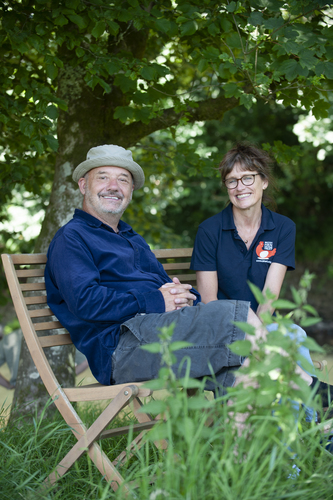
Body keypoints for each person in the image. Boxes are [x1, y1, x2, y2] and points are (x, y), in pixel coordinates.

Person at [45, 144, 315, 399]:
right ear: (83, 185)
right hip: (121, 348)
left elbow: (164, 287)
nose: (114, 186)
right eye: (103, 178)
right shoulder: (72, 238)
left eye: (123, 180)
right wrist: (157, 300)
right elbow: (85, 302)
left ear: (131, 190)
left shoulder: (130, 238)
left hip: (159, 333)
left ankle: (264, 446)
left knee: (245, 372)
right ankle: (313, 389)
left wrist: (181, 296)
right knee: (235, 314)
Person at [190, 143, 333, 407]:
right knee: (290, 343)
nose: (239, 187)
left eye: (247, 178)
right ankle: (315, 405)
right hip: (223, 331)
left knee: (292, 336)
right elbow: (209, 301)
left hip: (266, 326)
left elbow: (270, 296)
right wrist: (250, 339)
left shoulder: (282, 228)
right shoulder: (209, 231)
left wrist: (258, 337)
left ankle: (309, 427)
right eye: (231, 181)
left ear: (264, 182)